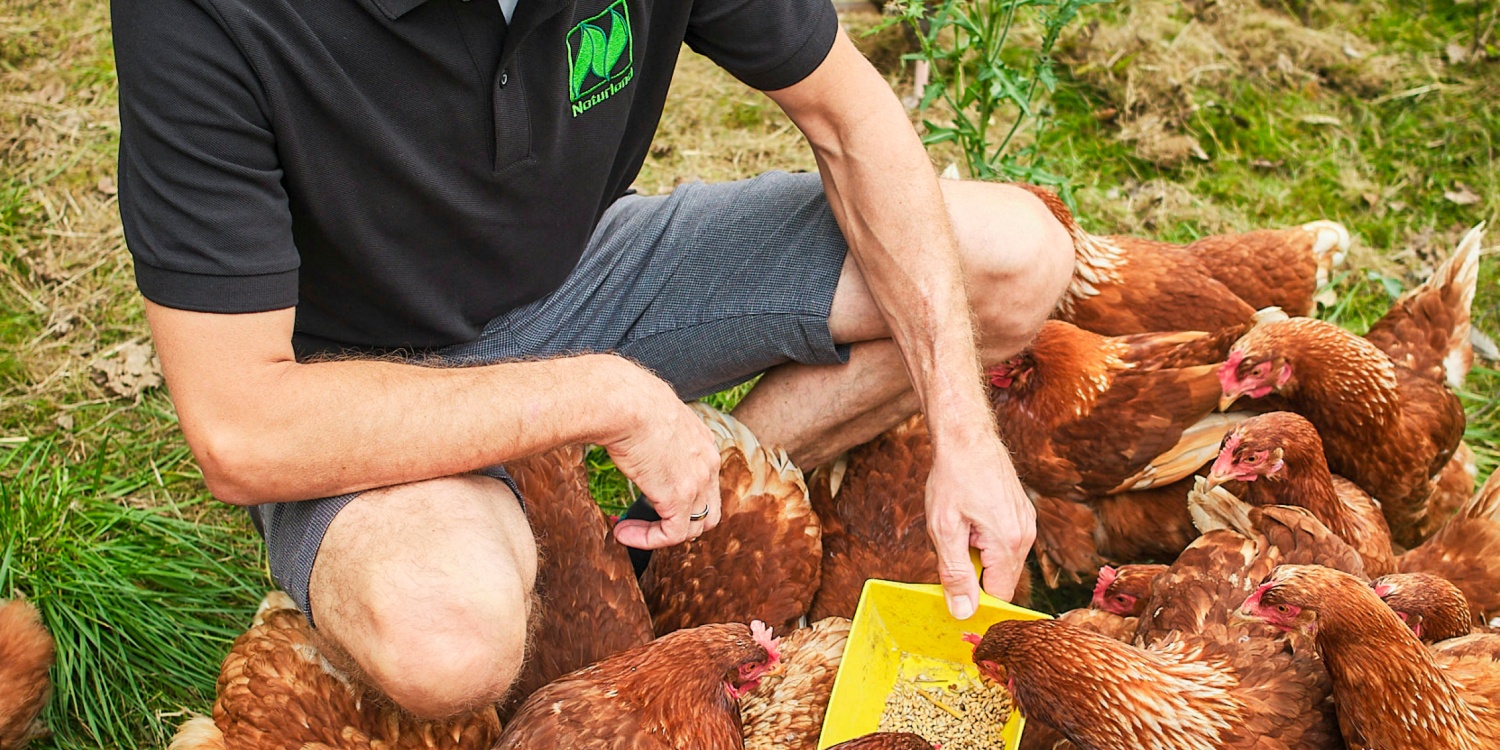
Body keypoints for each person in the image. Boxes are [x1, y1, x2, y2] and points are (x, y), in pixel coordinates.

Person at [112, 0, 1072, 719]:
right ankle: (545, 522)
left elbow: (849, 116)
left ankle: (655, 538)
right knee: (445, 636)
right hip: (363, 382)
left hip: (584, 274)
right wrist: (603, 396)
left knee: (1013, 262)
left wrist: (962, 429)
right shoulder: (205, 15)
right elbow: (239, 425)